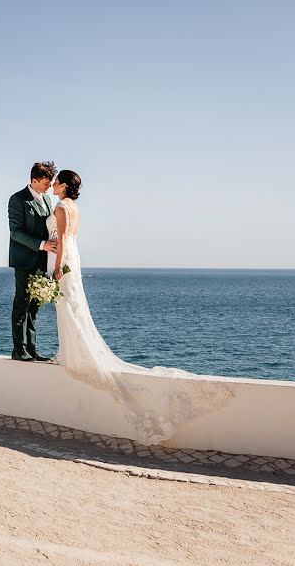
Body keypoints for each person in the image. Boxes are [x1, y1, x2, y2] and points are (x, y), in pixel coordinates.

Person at [46, 169, 234, 445]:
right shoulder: (76, 208)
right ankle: (69, 351)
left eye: (56, 183)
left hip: (64, 259)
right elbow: (72, 238)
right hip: (75, 257)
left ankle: (68, 353)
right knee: (74, 306)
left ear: (62, 186)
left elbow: (61, 239)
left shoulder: (61, 207)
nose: (52, 186)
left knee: (67, 306)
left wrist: (58, 269)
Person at [7, 161, 59, 362]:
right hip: (24, 260)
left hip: (42, 261)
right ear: (34, 180)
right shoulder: (17, 199)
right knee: (22, 304)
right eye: (46, 183)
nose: (49, 186)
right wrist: (41, 244)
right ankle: (18, 349)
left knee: (34, 306)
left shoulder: (47, 200)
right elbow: (15, 232)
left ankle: (31, 348)